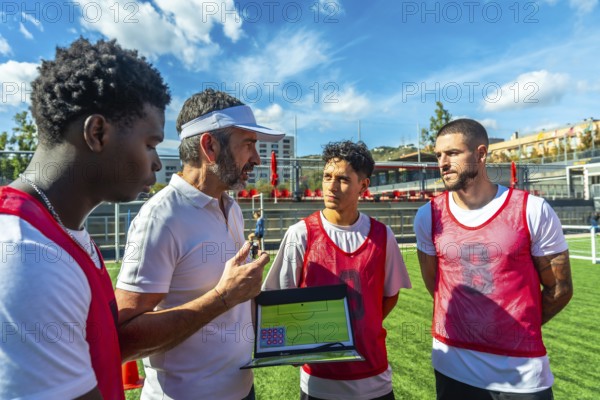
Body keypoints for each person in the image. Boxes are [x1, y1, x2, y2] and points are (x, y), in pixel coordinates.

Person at [0, 38, 170, 399]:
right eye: (151, 144)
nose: (156, 162)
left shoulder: (63, 230)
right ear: (97, 133)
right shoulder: (25, 254)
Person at [115, 89, 283, 400]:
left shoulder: (231, 207)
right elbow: (122, 340)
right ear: (210, 146)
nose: (257, 159)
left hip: (243, 391)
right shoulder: (161, 217)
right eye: (248, 144)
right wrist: (223, 297)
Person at [414, 119, 573, 399]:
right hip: (453, 367)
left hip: (521, 372)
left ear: (481, 154)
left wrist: (513, 327)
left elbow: (560, 288)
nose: (442, 162)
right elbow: (436, 285)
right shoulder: (428, 215)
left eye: (452, 153)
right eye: (438, 155)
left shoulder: (531, 209)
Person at [263, 140, 412, 400]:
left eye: (342, 179)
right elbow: (278, 301)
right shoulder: (301, 234)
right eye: (327, 176)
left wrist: (358, 326)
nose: (331, 186)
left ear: (363, 186)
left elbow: (390, 295)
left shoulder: (382, 235)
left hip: (375, 377)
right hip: (320, 381)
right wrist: (299, 344)